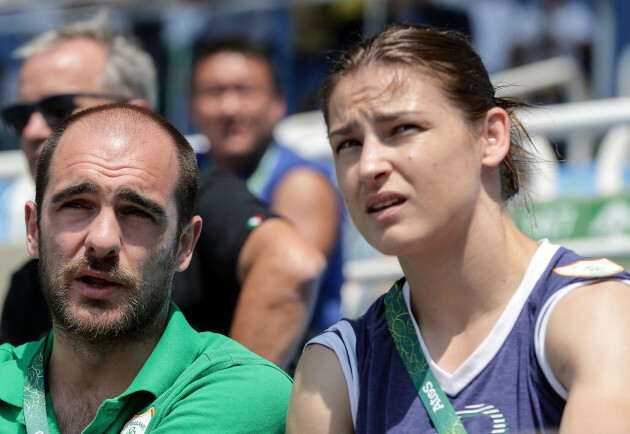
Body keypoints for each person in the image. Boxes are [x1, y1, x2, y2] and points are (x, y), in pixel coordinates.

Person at [287, 23, 630, 432]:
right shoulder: (333, 369)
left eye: (402, 129)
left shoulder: (598, 314)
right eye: (348, 144)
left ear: (490, 136)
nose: (369, 166)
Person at [0, 15, 324, 370]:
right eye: (20, 115)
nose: (31, 130)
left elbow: (290, 264)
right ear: (33, 227)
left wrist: (225, 402)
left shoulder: (203, 193)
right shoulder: (26, 287)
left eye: (56, 109)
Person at [0, 103, 292, 433]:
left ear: (184, 245)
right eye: (77, 204)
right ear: (34, 230)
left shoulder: (245, 392)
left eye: (137, 212)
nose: (102, 239)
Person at [191, 39, 344, 334]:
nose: (229, 107)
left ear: (278, 103)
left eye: (245, 91)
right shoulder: (184, 171)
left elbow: (287, 284)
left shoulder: (301, 183)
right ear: (191, 106)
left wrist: (232, 379)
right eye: (214, 92)